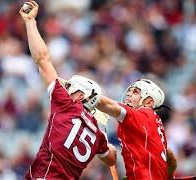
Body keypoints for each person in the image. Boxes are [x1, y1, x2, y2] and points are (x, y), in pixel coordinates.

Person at [19, 1, 117, 179]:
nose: (65, 88)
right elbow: (111, 158)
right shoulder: (98, 134)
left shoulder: (67, 104)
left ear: (80, 95)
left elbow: (43, 60)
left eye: (70, 87)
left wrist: (30, 22)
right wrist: (108, 144)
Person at [97, 79, 177, 179]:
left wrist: (84, 92)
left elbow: (106, 104)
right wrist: (169, 177)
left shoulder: (142, 115)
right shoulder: (154, 124)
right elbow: (171, 159)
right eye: (129, 91)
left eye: (135, 92)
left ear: (148, 102)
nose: (128, 94)